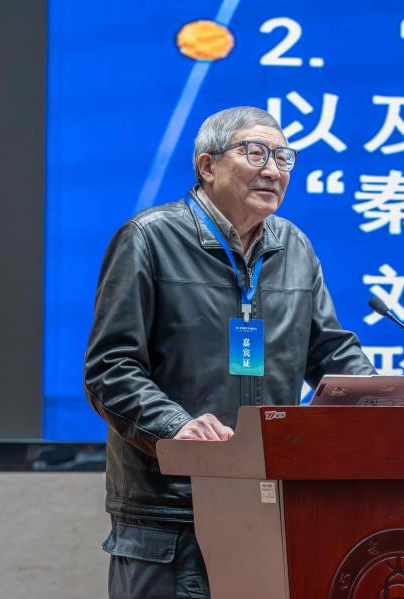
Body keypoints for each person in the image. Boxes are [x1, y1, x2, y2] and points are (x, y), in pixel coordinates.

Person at [83, 106, 375, 598]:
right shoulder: (149, 239)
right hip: (173, 511)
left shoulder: (294, 247)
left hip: (268, 502)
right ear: (207, 166)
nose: (273, 170)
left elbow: (330, 351)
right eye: (255, 153)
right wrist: (175, 427)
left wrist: (384, 399)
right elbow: (110, 368)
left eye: (283, 157)